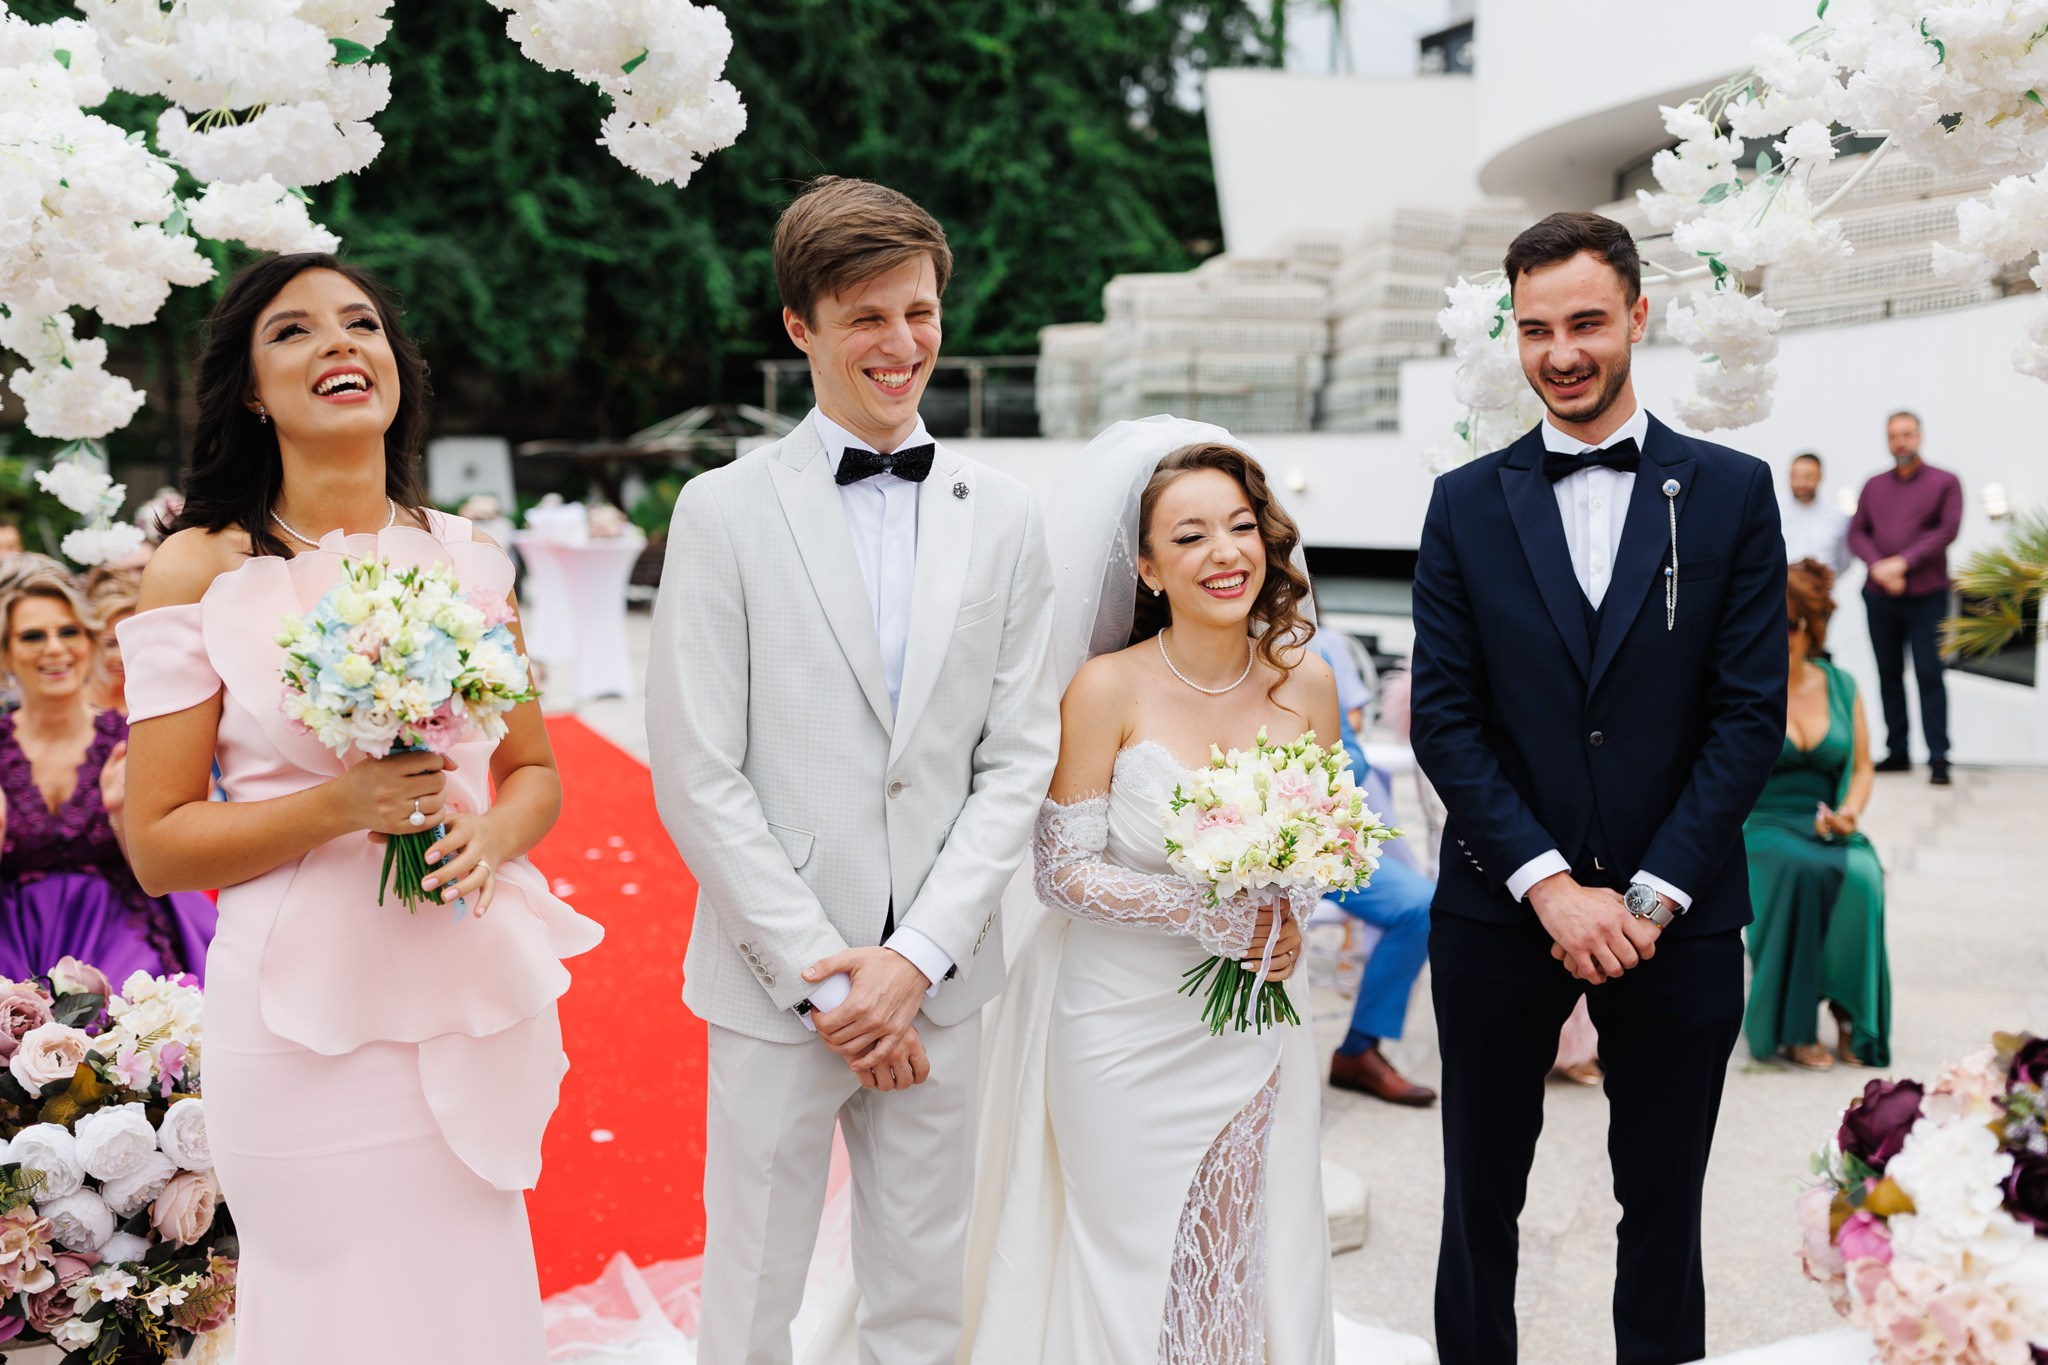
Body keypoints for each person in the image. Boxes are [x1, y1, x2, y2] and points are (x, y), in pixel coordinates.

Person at [120, 252, 601, 1365]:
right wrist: (340, 805)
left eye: (361, 324)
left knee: (467, 1309)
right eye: (292, 332)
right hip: (296, 1026)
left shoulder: (469, 556)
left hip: (466, 994)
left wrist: (491, 832)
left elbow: (533, 773)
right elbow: (156, 845)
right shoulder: (194, 567)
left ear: (395, 364)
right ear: (250, 390)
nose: (339, 344)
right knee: (325, 1313)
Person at [645, 177, 1060, 1365]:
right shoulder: (719, 511)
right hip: (782, 982)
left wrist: (915, 958)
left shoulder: (1009, 514)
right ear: (800, 327)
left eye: (919, 312)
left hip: (945, 973)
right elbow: (696, 770)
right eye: (867, 317)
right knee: (752, 1291)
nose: (901, 344)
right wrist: (832, 985)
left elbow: (1016, 756)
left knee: (924, 1293)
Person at [965, 417, 1435, 1365]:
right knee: (1127, 1250)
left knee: (1231, 1243)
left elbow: (1319, 834)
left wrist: (1289, 914)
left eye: (1239, 525)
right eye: (1188, 536)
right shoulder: (1105, 689)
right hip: (1113, 1021)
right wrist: (1203, 910)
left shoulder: (1305, 684)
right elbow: (1061, 871)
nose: (1223, 552)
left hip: (1252, 1019)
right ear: (1145, 568)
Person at [1411, 211, 1786, 1365]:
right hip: (1496, 907)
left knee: (1664, 1211)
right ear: (1511, 336)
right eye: (1534, 329)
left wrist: (1649, 892)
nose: (1560, 351)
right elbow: (1443, 718)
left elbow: (1744, 717)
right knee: (1476, 1208)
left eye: (1583, 322)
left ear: (1634, 314)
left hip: (1678, 915)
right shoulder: (1462, 502)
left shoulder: (1728, 492)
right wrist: (1547, 887)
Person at [0, 569, 215, 982]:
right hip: (14, 937)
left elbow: (165, 873)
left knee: (128, 1003)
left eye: (70, 632)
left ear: (88, 644)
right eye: (32, 636)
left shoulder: (132, 740)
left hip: (120, 928)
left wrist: (120, 815)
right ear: (6, 655)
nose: (55, 648)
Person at [1742, 559, 1889, 1070]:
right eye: (1767, 622)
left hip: (1827, 821)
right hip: (1760, 823)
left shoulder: (1842, 685)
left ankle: (1848, 1012)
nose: (1778, 635)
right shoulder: (1744, 686)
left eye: (1788, 624)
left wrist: (1849, 813)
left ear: (1811, 627)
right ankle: (1792, 1023)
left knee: (1865, 877)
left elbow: (1864, 765)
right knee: (1801, 871)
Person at [1847, 411, 1962, 785]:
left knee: (1930, 674)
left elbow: (1946, 530)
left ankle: (1939, 758)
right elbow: (1857, 532)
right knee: (1888, 674)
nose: (1901, 442)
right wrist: (1880, 566)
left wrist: (1903, 564)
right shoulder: (1873, 485)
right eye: (1894, 436)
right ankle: (1897, 752)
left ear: (1920, 436)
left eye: (1907, 434)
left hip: (1927, 597)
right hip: (1880, 596)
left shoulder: (1946, 482)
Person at [1779, 451, 1850, 576]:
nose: (1802, 483)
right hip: (1783, 589)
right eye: (1796, 476)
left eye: (1809, 477)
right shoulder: (1774, 511)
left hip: (1822, 589)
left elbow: (1845, 558)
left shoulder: (1838, 516)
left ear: (1820, 477)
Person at [83, 573, 137, 715]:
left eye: (132, 643)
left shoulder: (161, 698)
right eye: (110, 644)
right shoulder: (70, 707)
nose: (122, 656)